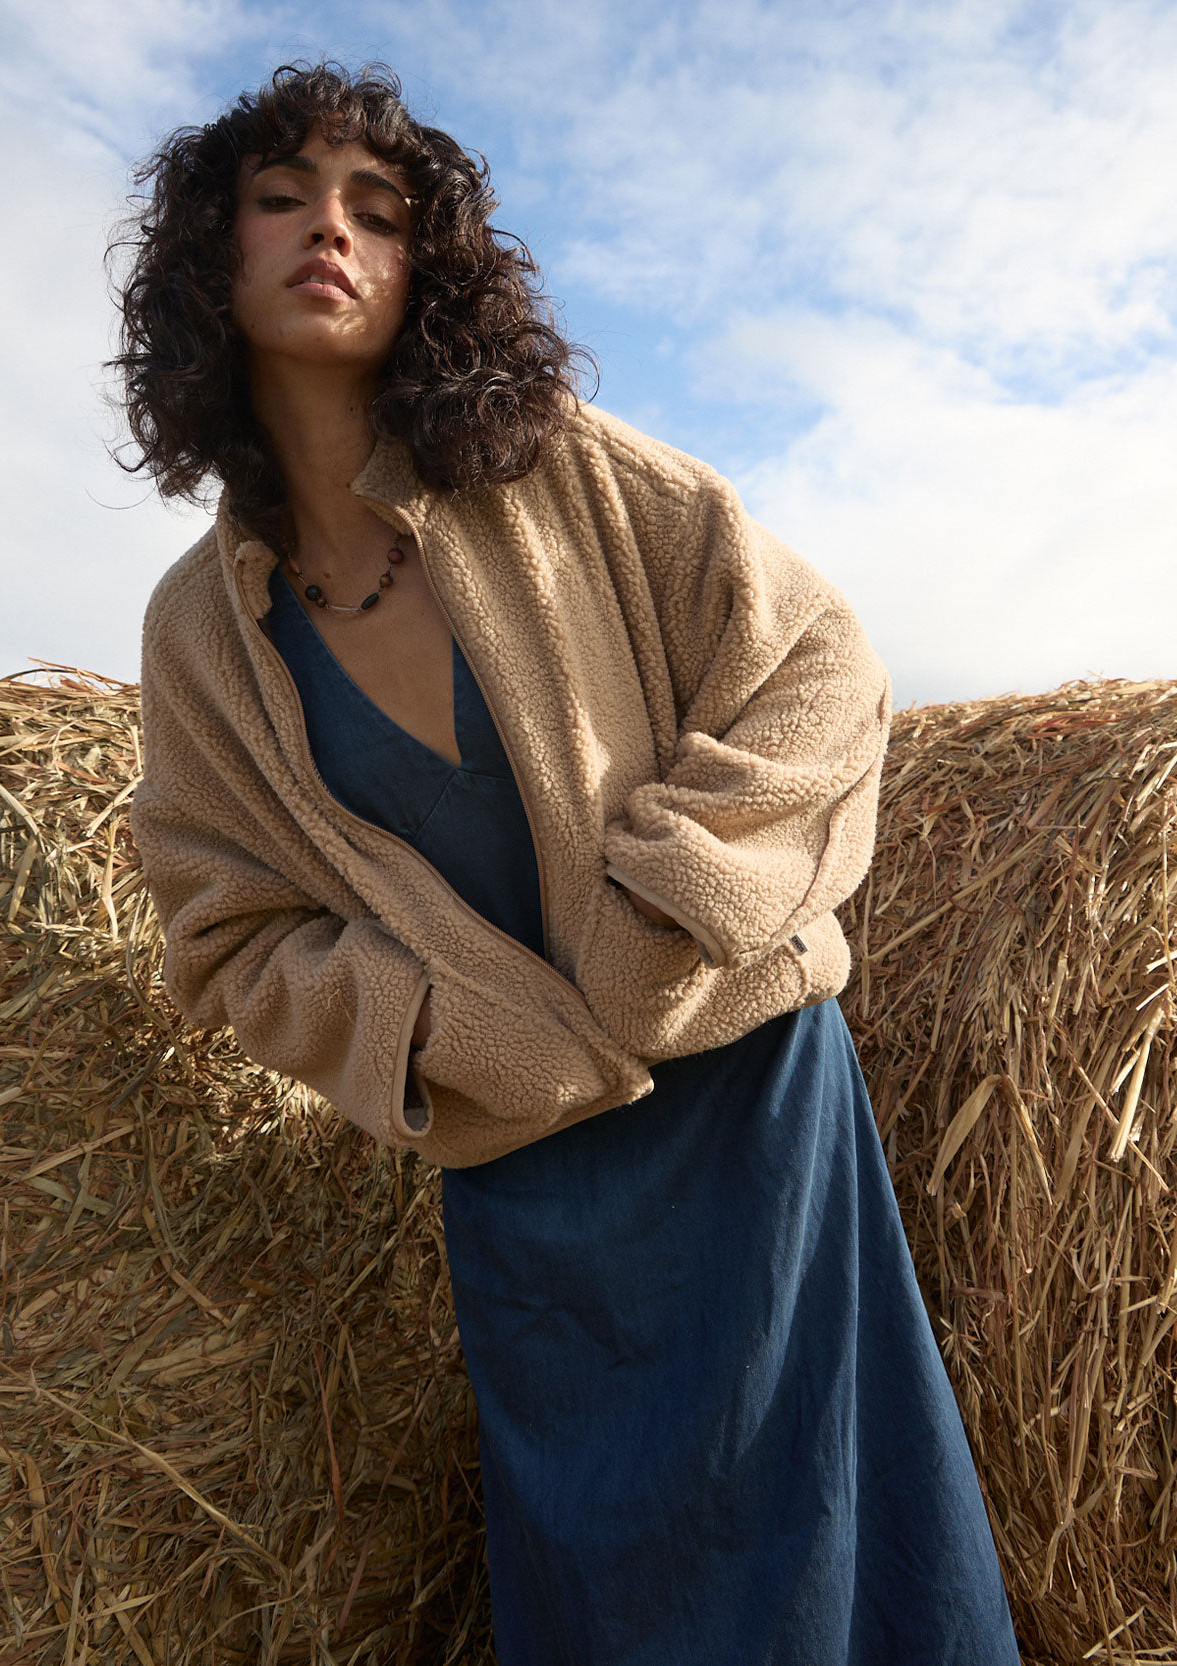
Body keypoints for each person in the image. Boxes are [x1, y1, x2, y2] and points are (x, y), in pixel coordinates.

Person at [117, 61, 1021, 1666]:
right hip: (523, 1164)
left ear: (427, 269)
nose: (331, 230)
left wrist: (676, 897)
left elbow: (819, 664)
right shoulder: (201, 632)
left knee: (833, 1535)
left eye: (376, 209)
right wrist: (436, 1027)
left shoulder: (564, 470)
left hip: (747, 1097)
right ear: (211, 255)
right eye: (282, 198)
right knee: (612, 1579)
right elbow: (223, 929)